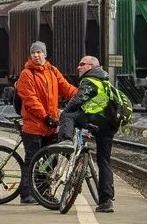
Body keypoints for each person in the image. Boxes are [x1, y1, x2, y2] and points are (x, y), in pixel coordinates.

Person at [14, 41, 75, 205]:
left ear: (45, 54)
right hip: (34, 126)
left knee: (50, 161)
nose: (36, 55)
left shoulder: (52, 71)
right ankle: (26, 194)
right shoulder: (27, 74)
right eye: (34, 53)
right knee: (32, 160)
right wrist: (45, 117)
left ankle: (42, 192)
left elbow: (66, 88)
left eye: (39, 52)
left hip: (50, 127)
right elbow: (30, 99)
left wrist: (82, 96)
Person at [59, 55, 120, 213]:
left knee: (67, 116)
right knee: (104, 161)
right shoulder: (106, 82)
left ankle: (65, 141)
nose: (78, 67)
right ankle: (106, 201)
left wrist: (64, 113)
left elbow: (78, 100)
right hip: (109, 125)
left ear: (91, 66)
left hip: (95, 120)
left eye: (82, 64)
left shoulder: (90, 80)